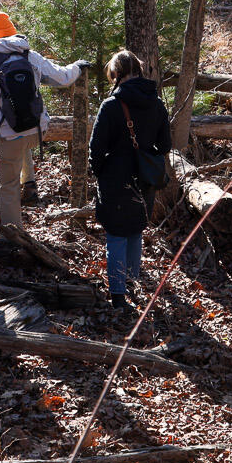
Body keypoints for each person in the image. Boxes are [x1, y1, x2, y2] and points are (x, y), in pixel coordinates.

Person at [0, 12, 86, 232]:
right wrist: (77, 66)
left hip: (7, 134)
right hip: (37, 131)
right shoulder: (31, 56)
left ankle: (14, 234)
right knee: (22, 140)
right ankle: (29, 184)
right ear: (13, 32)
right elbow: (63, 77)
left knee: (8, 186)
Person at [88, 49, 170, 311]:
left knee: (116, 237)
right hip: (144, 180)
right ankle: (132, 284)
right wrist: (145, 154)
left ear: (117, 74)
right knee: (135, 232)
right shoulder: (157, 104)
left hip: (114, 180)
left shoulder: (111, 106)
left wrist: (100, 172)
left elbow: (96, 149)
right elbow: (165, 145)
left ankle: (118, 297)